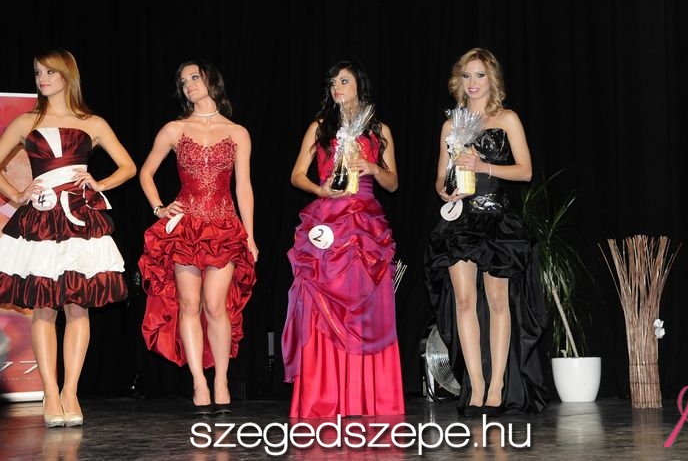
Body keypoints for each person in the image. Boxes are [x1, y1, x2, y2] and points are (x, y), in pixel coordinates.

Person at [0, 48, 137, 427]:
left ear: (67, 76)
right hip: (41, 221)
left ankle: (70, 392)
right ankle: (50, 392)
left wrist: (99, 183)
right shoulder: (26, 121)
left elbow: (128, 166)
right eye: (37, 73)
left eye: (49, 72)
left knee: (78, 305)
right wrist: (16, 194)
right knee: (44, 307)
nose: (42, 79)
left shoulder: (93, 122)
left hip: (80, 219)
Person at [424, 48, 549, 417]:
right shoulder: (451, 126)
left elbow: (525, 171)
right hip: (460, 222)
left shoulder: (506, 119)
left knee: (497, 301)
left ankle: (497, 388)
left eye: (479, 75)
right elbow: (439, 179)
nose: (472, 82)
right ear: (458, 81)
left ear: (492, 79)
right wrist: (446, 190)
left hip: (497, 220)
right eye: (466, 75)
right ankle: (475, 386)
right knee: (464, 302)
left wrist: (484, 167)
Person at [281, 60, 405, 418]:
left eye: (344, 81)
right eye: (333, 82)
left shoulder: (379, 129)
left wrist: (374, 168)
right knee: (324, 307)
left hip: (365, 226)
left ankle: (365, 396)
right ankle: (326, 395)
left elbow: (393, 183)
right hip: (328, 221)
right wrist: (321, 189)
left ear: (359, 86)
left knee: (364, 309)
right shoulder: (320, 127)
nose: (337, 87)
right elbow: (296, 175)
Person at [137, 59, 258, 417]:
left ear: (211, 80)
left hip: (223, 226)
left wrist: (250, 236)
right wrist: (159, 208)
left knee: (215, 305)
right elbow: (146, 172)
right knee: (188, 305)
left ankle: (221, 379)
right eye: (183, 81)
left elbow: (244, 187)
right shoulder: (175, 129)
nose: (188, 84)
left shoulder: (237, 133)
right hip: (186, 227)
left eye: (194, 77)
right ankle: (198, 382)